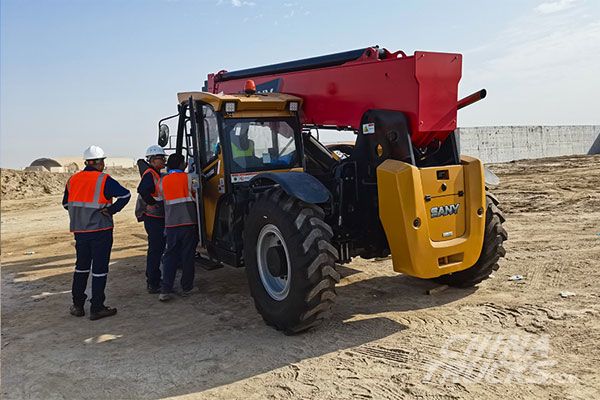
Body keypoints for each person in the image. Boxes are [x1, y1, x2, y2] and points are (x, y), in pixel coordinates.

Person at [62, 145, 131, 320]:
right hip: (101, 230)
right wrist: (112, 210)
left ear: (86, 162)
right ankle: (97, 307)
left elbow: (65, 204)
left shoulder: (72, 180)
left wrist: (79, 215)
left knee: (81, 268)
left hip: (80, 231)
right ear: (99, 163)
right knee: (99, 270)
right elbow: (125, 195)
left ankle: (78, 305)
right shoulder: (104, 180)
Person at [158, 153, 199, 301]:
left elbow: (159, 198)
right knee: (187, 255)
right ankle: (187, 287)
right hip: (188, 222)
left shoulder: (163, 181)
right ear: (181, 164)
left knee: (170, 256)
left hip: (171, 224)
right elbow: (197, 196)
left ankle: (165, 289)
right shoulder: (189, 178)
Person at [136, 145, 167, 294]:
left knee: (157, 249)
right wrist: (153, 203)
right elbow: (142, 190)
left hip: (157, 217)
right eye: (162, 158)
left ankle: (154, 280)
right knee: (155, 250)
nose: (164, 161)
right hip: (154, 218)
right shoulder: (150, 174)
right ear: (153, 160)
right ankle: (153, 282)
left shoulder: (156, 173)